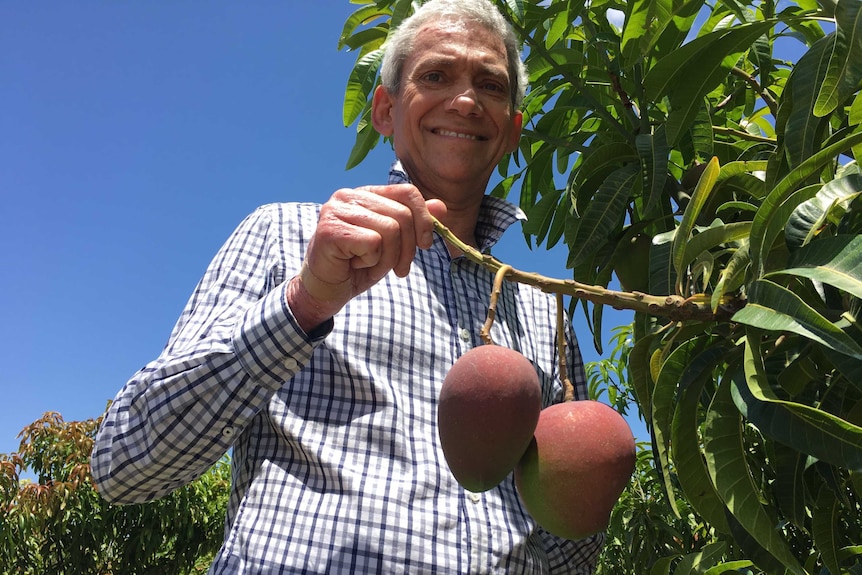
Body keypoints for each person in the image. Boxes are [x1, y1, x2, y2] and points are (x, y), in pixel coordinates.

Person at [91, 0, 604, 572]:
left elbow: (567, 541)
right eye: (435, 75)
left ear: (511, 131)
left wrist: (591, 470)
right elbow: (124, 464)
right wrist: (305, 303)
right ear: (384, 110)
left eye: (490, 84)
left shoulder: (540, 312)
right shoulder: (288, 235)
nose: (465, 101)